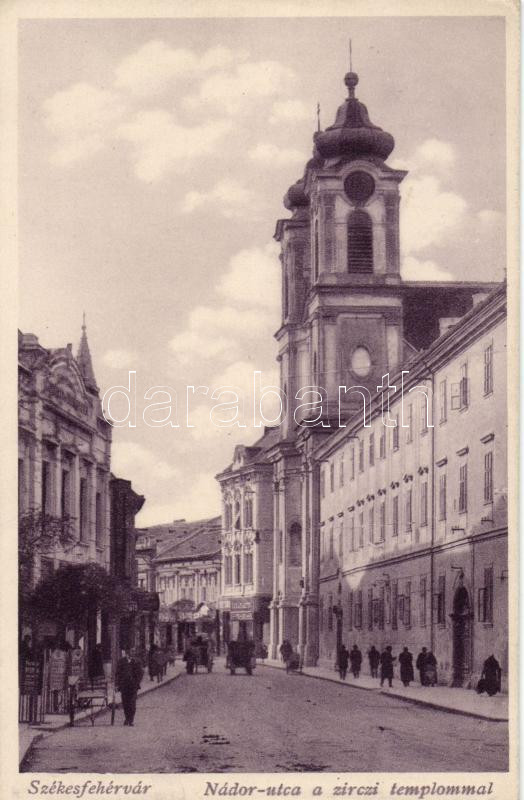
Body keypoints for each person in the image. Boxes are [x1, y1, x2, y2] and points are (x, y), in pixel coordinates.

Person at [115, 649, 143, 726]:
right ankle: (127, 718)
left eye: (134, 651)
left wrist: (137, 682)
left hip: (133, 686)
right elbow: (117, 674)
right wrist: (117, 684)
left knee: (132, 702)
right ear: (127, 653)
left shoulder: (137, 661)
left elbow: (140, 673)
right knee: (125, 703)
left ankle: (131, 720)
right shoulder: (121, 661)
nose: (133, 653)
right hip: (124, 685)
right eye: (132, 651)